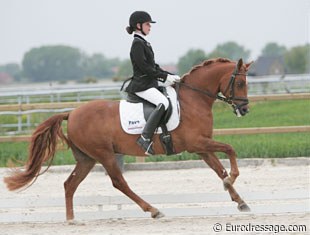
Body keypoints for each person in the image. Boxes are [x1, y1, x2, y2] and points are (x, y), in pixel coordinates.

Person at [125, 11, 181, 155]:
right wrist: (163, 77)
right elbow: (145, 68)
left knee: (169, 98)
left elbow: (154, 66)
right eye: (147, 24)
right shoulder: (137, 43)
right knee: (163, 103)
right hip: (142, 85)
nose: (150, 27)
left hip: (149, 83)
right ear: (138, 26)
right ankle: (145, 138)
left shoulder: (144, 42)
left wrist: (169, 75)